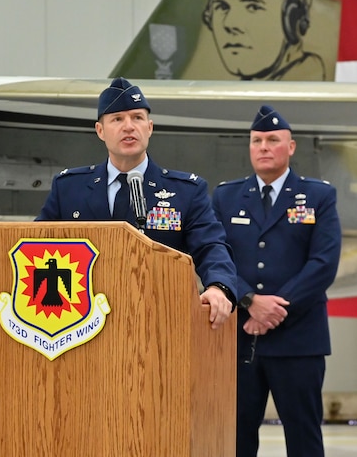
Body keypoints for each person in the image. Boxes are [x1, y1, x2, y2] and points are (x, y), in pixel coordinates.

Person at [211, 104, 342, 457]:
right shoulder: (226, 198)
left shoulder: (318, 196)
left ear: (291, 146)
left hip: (298, 337)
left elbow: (324, 264)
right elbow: (215, 255)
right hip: (240, 337)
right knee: (236, 434)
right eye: (256, 141)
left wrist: (274, 309)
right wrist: (248, 300)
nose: (263, 148)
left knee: (303, 434)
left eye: (272, 140)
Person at [36, 77, 237, 328]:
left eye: (137, 118)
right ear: (100, 130)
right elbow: (35, 245)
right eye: (117, 119)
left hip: (158, 323)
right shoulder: (69, 188)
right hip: (80, 324)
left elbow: (211, 246)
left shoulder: (185, 192)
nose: (129, 126)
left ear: (150, 127)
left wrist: (219, 286)